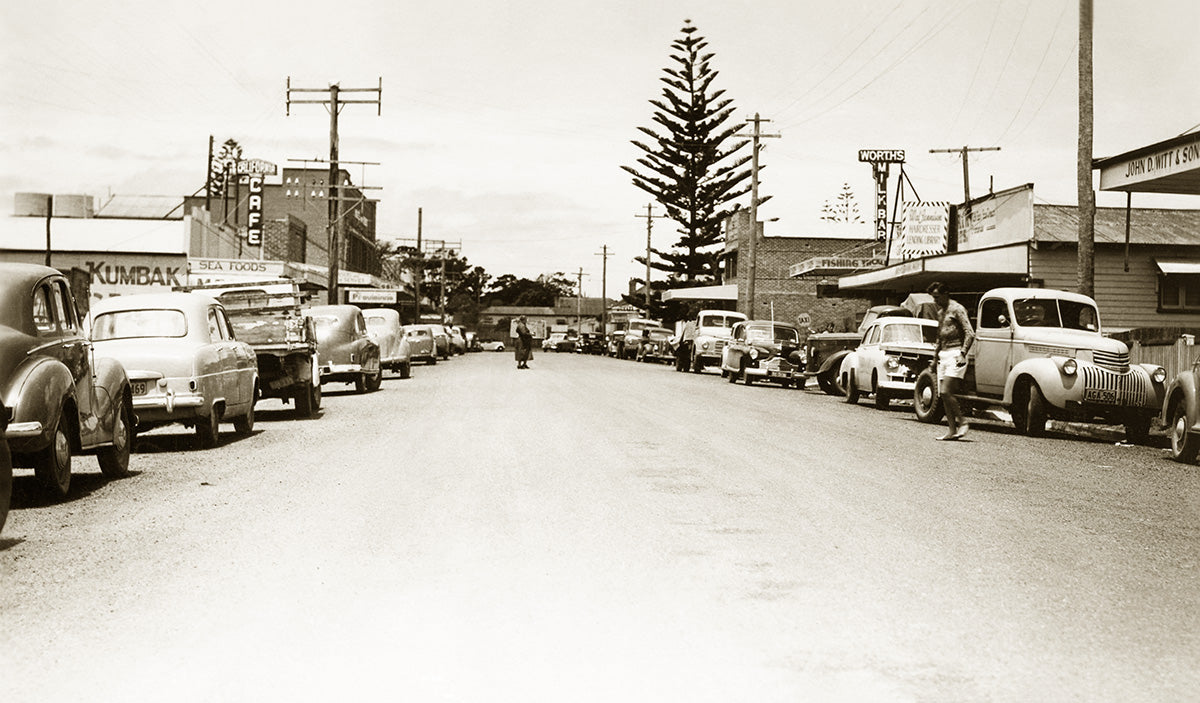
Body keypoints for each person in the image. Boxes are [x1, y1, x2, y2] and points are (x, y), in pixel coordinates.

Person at [928, 281, 975, 441]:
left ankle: (963, 422)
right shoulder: (941, 313)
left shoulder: (957, 309)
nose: (935, 301)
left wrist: (963, 353)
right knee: (943, 395)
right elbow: (939, 338)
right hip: (944, 355)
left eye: (937, 297)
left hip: (956, 353)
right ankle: (951, 430)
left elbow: (970, 332)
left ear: (945, 294)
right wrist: (934, 359)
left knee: (947, 391)